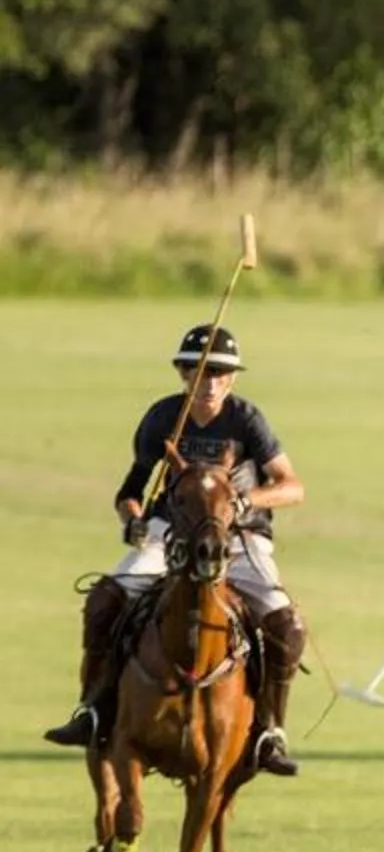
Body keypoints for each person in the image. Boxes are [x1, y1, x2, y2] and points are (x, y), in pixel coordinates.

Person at [44, 324, 309, 777]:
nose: (209, 382)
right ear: (184, 374)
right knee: (105, 599)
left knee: (286, 624)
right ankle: (92, 708)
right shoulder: (164, 418)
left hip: (239, 535)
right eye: (200, 372)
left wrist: (244, 501)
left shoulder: (246, 420)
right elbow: (130, 490)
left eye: (219, 374)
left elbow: (292, 487)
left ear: (232, 380)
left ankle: (268, 730)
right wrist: (133, 521)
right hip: (171, 531)